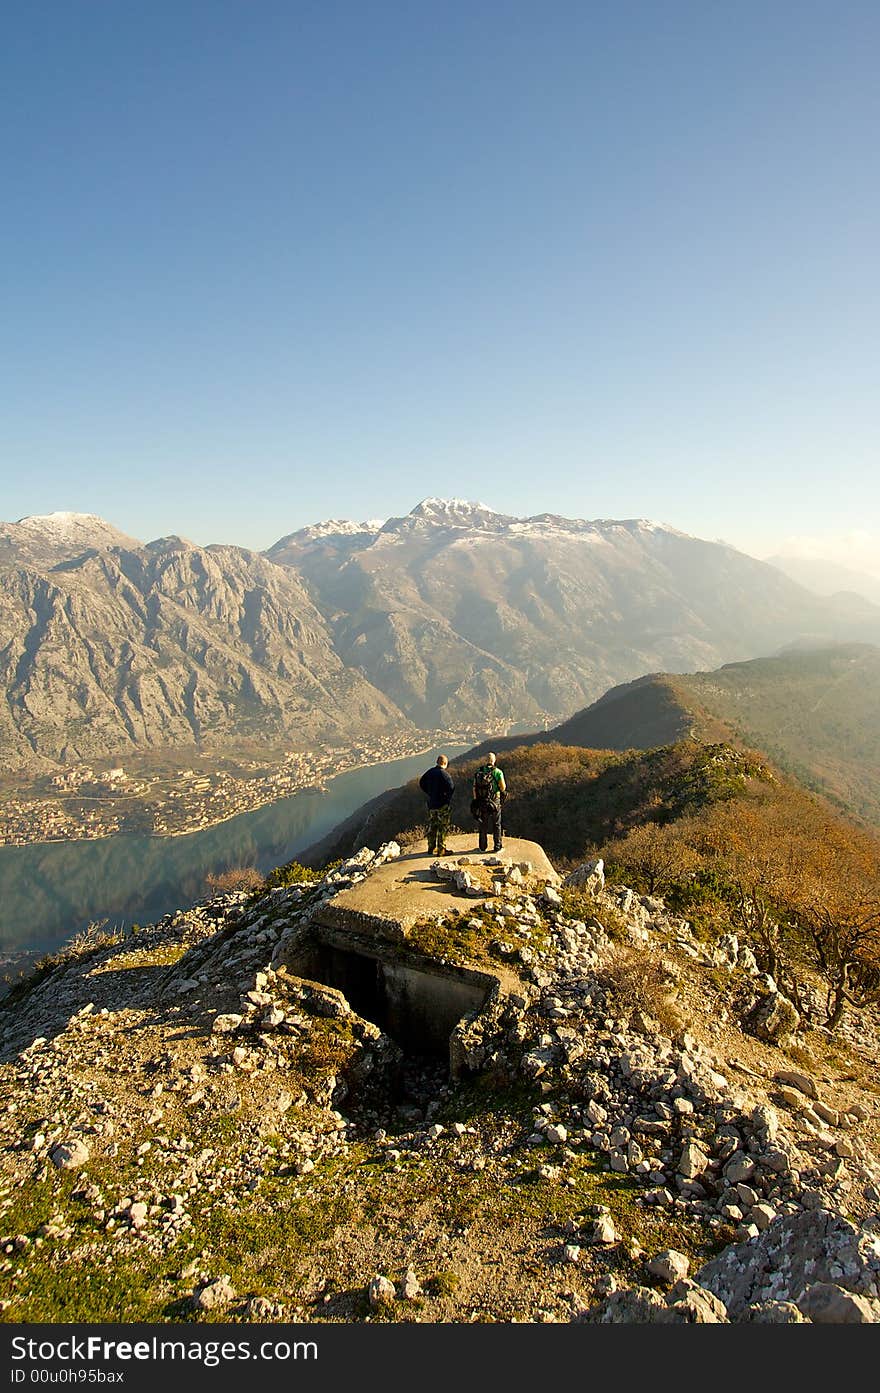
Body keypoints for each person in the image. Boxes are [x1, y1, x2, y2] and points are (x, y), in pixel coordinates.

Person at [418, 754, 455, 855]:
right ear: (445, 763)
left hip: (432, 804)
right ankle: (441, 849)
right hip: (442, 805)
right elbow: (451, 788)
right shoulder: (445, 775)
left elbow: (421, 783)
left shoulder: (429, 772)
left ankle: (431, 847)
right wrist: (446, 799)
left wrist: (429, 793)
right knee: (442, 827)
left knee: (432, 826)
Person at [471, 751, 506, 853]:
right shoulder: (498, 772)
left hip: (482, 801)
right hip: (495, 800)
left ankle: (482, 847)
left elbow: (474, 787)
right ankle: (497, 846)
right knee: (496, 824)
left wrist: (476, 800)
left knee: (483, 824)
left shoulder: (479, 771)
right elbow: (503, 787)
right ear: (494, 761)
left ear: (486, 760)